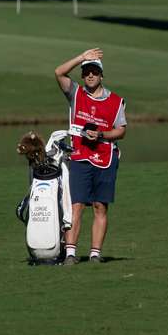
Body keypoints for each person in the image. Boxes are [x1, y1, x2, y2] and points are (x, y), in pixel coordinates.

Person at [54, 48, 127, 265]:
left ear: (101, 75)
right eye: (86, 72)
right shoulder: (76, 93)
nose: (90, 75)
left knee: (99, 206)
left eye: (94, 71)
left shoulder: (115, 101)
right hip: (80, 156)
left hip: (105, 157)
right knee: (76, 205)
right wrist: (81, 58)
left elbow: (121, 130)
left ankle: (95, 254)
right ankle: (70, 254)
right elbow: (58, 72)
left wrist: (102, 134)